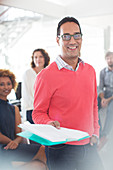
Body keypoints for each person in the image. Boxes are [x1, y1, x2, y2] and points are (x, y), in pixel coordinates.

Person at [32, 16, 104, 170]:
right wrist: (48, 123)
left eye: (77, 35)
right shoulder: (46, 75)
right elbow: (37, 113)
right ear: (58, 40)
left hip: (88, 144)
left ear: (81, 39)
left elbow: (93, 106)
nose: (72, 41)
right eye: (66, 36)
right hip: (60, 148)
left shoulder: (90, 70)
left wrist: (96, 132)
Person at [0, 69, 47, 170]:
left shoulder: (14, 108)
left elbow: (18, 133)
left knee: (39, 166)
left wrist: (16, 141)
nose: (6, 87)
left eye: (8, 84)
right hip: (3, 149)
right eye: (2, 84)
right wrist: (12, 143)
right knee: (44, 151)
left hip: (12, 147)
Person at [22, 48, 50, 123]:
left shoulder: (49, 73)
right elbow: (26, 95)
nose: (38, 59)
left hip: (46, 110)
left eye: (41, 56)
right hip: (32, 109)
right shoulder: (27, 73)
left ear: (45, 58)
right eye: (35, 57)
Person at [98, 51, 113, 149]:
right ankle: (99, 132)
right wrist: (103, 99)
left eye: (111, 58)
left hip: (112, 96)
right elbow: (100, 88)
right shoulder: (102, 72)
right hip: (106, 94)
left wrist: (108, 100)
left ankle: (104, 135)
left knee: (110, 110)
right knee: (94, 106)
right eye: (108, 59)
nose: (110, 60)